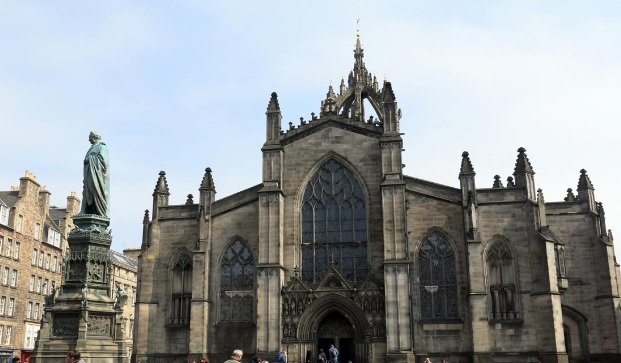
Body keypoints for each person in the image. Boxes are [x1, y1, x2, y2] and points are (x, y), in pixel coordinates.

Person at [80, 131, 110, 218]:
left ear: (94, 137)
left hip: (96, 177)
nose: (89, 139)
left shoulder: (102, 147)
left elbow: (103, 160)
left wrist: (89, 159)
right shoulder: (93, 147)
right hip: (89, 174)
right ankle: (84, 210)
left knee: (94, 192)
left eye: (90, 137)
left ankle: (96, 210)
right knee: (86, 191)